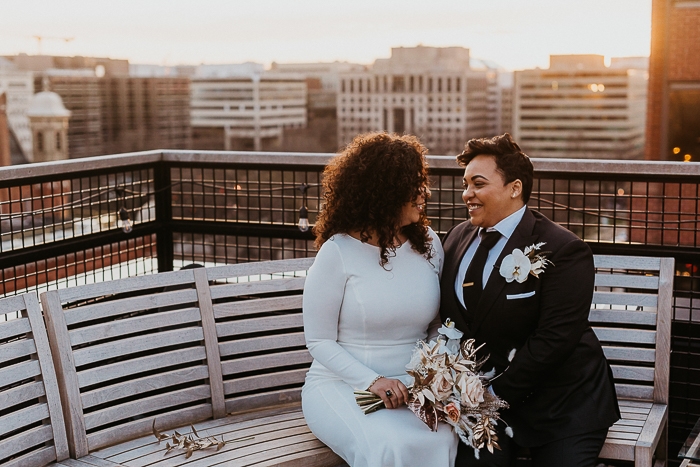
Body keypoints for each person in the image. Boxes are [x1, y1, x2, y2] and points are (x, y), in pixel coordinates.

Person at [439, 134, 620, 467]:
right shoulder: (456, 237)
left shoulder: (563, 249)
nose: (467, 194)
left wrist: (491, 395)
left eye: (478, 184)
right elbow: (453, 321)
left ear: (515, 188)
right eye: (465, 184)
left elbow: (555, 340)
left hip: (561, 404)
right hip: (486, 407)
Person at [302, 132, 458, 467]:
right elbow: (318, 340)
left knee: (443, 435)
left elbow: (434, 324)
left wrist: (434, 374)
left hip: (413, 389)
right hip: (344, 386)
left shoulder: (429, 243)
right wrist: (373, 381)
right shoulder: (338, 252)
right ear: (385, 193)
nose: (425, 193)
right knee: (391, 444)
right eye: (413, 185)